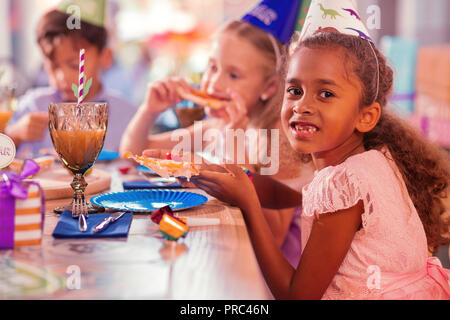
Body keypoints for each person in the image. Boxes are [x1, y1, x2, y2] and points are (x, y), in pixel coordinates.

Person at [188, 30, 450, 299]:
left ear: (366, 116)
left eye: (325, 93)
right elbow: (284, 195)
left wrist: (248, 205)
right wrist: (223, 173)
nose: (302, 105)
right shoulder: (374, 159)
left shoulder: (343, 184)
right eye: (295, 90)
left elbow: (296, 296)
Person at [121, 18, 315, 260]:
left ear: (269, 87)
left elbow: (275, 235)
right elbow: (134, 152)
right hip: (228, 252)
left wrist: (236, 148)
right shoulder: (218, 126)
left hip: (270, 275)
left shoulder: (280, 137)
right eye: (212, 67)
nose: (214, 83)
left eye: (233, 75)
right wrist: (149, 111)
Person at [5, 6, 137, 157]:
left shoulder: (129, 116)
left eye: (75, 65)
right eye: (53, 66)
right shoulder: (32, 106)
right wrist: (14, 134)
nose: (62, 77)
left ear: (105, 57)